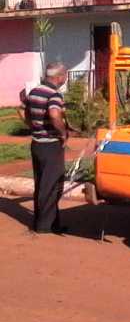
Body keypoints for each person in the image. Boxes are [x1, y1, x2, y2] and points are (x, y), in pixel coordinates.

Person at [24, 62, 68, 234]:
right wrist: (63, 133)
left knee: (42, 183)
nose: (65, 78)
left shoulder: (34, 92)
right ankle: (44, 226)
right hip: (51, 145)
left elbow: (25, 113)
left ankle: (49, 222)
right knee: (52, 186)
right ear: (58, 77)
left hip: (37, 144)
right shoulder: (54, 95)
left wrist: (35, 127)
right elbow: (54, 114)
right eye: (65, 75)